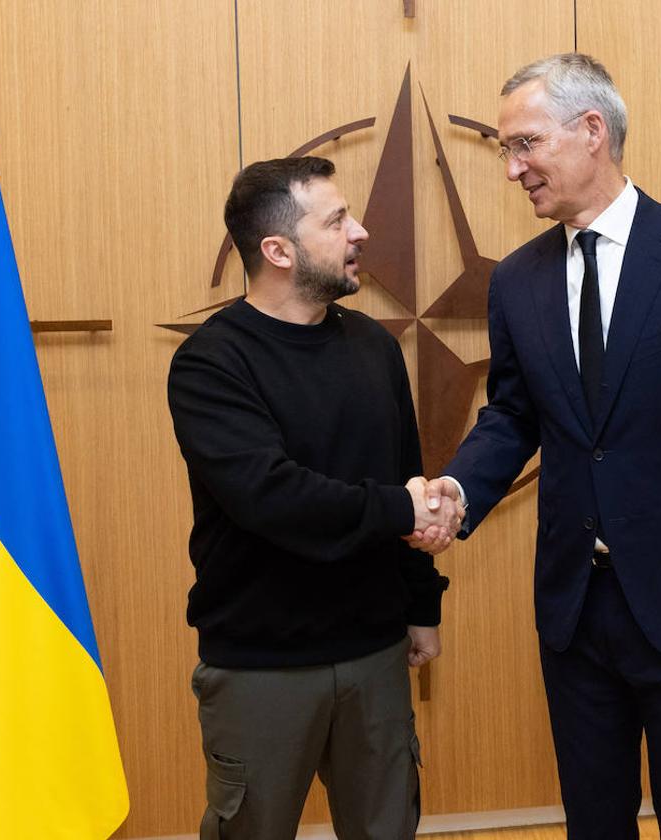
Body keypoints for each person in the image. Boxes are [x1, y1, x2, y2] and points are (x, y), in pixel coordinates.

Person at [412, 54, 661, 839]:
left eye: (525, 144)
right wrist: (461, 488)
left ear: (593, 132)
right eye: (506, 151)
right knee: (593, 820)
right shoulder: (516, 280)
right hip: (574, 608)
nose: (514, 168)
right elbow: (514, 414)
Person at [168, 156, 460, 840]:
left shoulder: (374, 347)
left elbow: (405, 476)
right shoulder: (212, 362)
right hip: (260, 664)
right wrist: (401, 509)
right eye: (336, 221)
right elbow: (271, 497)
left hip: (375, 650)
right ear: (277, 251)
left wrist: (421, 605)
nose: (360, 232)